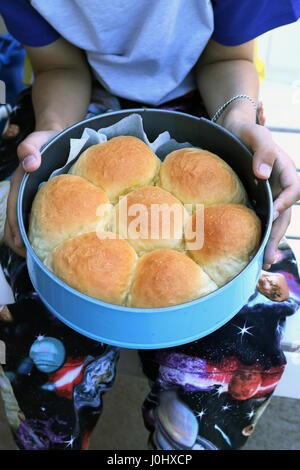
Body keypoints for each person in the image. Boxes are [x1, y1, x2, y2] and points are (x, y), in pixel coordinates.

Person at [0, 0, 300, 451]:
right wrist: (54, 135)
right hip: (73, 115)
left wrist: (239, 122)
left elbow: (229, 57)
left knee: (247, 338)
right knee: (31, 325)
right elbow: (57, 66)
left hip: (209, 109)